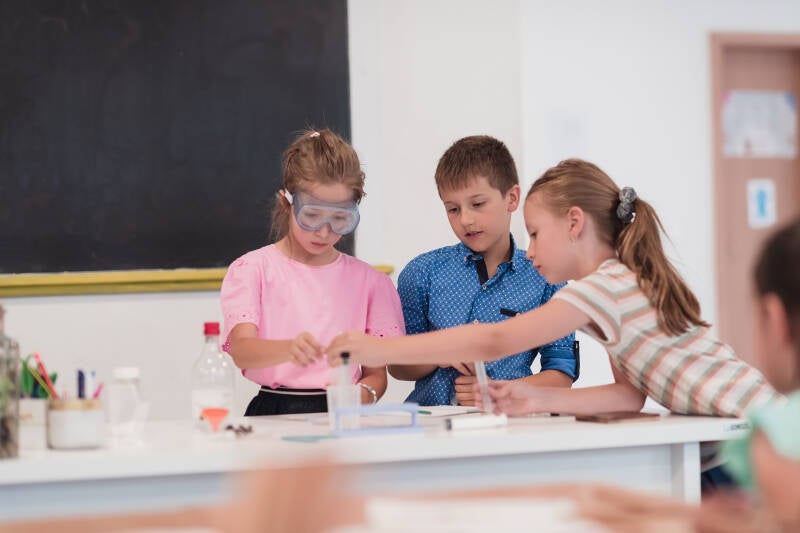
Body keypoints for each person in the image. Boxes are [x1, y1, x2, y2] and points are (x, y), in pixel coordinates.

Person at [326, 158, 777, 420]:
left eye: (537, 233)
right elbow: (627, 396)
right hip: (737, 429)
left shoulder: (602, 288)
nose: (532, 248)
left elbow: (494, 338)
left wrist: (379, 350)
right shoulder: (615, 288)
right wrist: (531, 396)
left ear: (575, 223)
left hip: (757, 429)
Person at [220, 128, 404, 416]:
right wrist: (288, 348)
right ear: (287, 202)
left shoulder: (371, 282)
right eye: (312, 215)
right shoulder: (252, 270)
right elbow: (242, 351)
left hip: (343, 412)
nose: (324, 231)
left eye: (340, 218)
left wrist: (363, 395)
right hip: (273, 412)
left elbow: (376, 375)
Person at [391, 135, 576, 407]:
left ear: (512, 198)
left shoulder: (546, 277)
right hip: (431, 433)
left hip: (509, 429)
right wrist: (440, 351)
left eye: (477, 204)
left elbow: (561, 375)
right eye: (452, 209)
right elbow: (398, 366)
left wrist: (500, 391)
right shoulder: (421, 273)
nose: (465, 219)